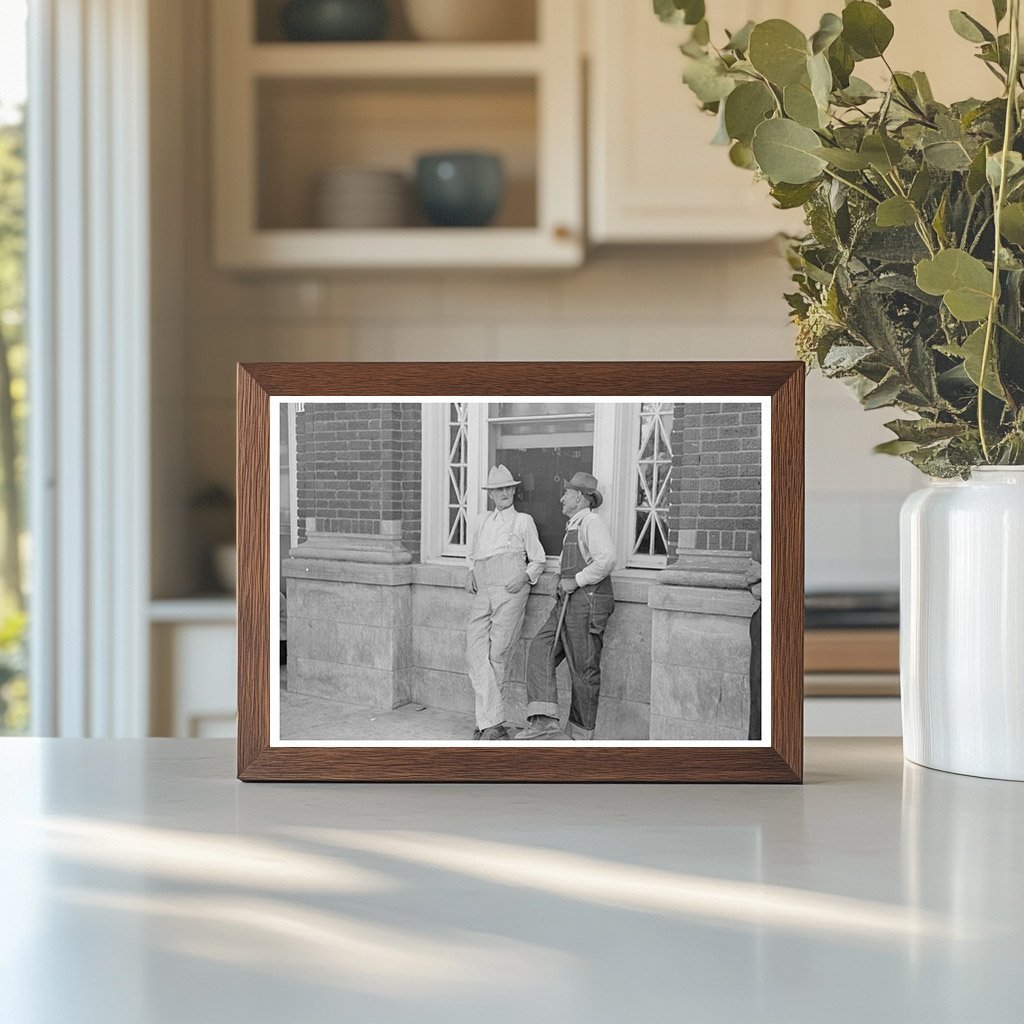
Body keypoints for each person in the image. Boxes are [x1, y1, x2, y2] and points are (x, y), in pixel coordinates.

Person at [517, 472, 616, 741]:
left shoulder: (591, 522)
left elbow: (606, 559)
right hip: (568, 603)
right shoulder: (574, 525)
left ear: (581, 497)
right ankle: (544, 721)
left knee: (583, 669)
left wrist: (578, 580)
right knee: (540, 648)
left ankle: (581, 735)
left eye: (567, 493)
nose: (561, 498)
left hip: (588, 602)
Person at [465, 465, 547, 740]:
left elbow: (538, 559)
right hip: (483, 586)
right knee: (474, 652)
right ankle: (492, 720)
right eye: (498, 489)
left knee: (498, 654)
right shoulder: (481, 521)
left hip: (510, 588)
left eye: (508, 488)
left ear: (514, 490)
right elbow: (473, 553)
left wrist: (524, 577)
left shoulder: (523, 521)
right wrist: (470, 572)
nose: (504, 493)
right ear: (491, 494)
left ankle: (488, 725)